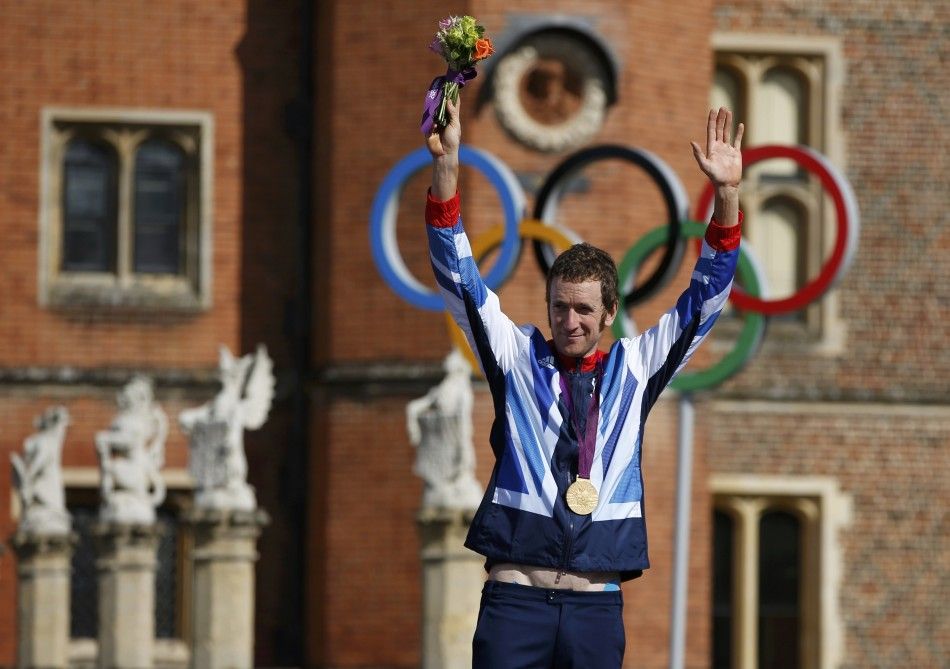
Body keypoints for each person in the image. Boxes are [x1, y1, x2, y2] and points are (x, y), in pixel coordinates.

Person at [424, 94, 743, 668]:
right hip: (516, 602)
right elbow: (458, 277)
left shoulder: (636, 368)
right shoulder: (516, 357)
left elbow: (705, 302)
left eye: (583, 309)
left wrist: (726, 198)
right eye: (559, 306)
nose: (569, 321)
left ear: (609, 312)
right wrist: (446, 168)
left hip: (594, 608)